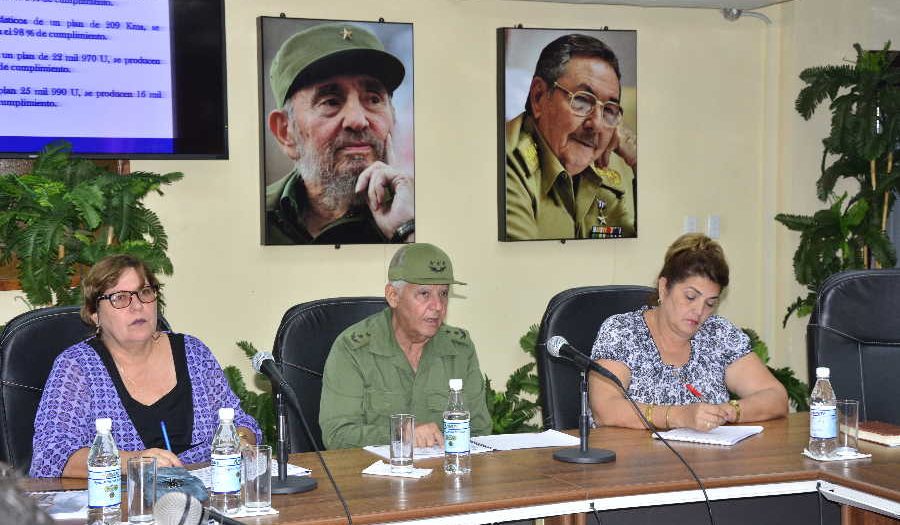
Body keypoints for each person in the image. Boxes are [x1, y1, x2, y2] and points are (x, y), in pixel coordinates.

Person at [29, 255, 260, 478]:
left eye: (145, 293)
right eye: (120, 298)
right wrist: (135, 462)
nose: (137, 306)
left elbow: (240, 420)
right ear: (94, 314)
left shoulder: (193, 353)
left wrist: (240, 439)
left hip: (208, 495)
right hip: (123, 504)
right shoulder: (77, 367)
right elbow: (50, 456)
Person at [589, 233, 787, 431]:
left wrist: (728, 411)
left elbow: (775, 397)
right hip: (637, 458)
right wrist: (678, 416)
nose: (699, 311)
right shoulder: (623, 332)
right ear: (664, 288)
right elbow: (605, 409)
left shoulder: (718, 334)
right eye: (690, 297)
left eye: (710, 303)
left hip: (708, 459)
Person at [319, 243, 491, 449]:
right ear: (393, 296)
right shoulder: (353, 349)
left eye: (443, 294)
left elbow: (480, 431)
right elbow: (337, 436)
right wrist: (401, 433)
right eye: (424, 294)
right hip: (371, 476)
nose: (438, 306)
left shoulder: (460, 349)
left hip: (443, 474)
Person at [265, 22, 415, 245]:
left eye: (373, 99)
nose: (358, 120)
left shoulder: (424, 212)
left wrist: (407, 231)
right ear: (285, 131)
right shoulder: (250, 217)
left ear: (393, 117)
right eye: (331, 102)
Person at [505, 33, 637, 241]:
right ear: (539, 97)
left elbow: (655, 248)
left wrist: (637, 160)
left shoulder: (615, 163)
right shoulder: (507, 162)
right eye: (582, 101)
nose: (596, 124)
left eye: (609, 110)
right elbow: (525, 266)